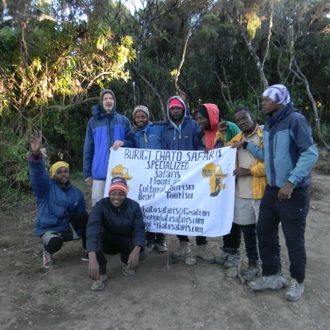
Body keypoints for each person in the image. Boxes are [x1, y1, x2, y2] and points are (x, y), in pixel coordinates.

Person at [231, 84, 318, 301]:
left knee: (293, 238)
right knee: (264, 230)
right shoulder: (270, 125)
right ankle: (273, 275)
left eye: (267, 99)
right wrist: (245, 146)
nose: (263, 103)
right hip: (272, 190)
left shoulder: (295, 120)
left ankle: (297, 281)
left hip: (293, 192)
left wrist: (291, 182)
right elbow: (266, 155)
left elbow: (310, 153)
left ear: (279, 100)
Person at [216, 107, 266, 281]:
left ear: (252, 116)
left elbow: (274, 163)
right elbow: (220, 153)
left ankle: (272, 270)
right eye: (238, 121)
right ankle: (253, 264)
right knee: (248, 232)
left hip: (261, 194)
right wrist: (221, 134)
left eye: (244, 118)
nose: (242, 122)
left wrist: (250, 171)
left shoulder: (264, 135)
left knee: (266, 233)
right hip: (241, 194)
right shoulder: (237, 139)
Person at [163, 95, 215, 263]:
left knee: (198, 208)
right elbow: (162, 151)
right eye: (173, 108)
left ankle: (202, 245)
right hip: (174, 177)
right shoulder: (166, 130)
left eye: (178, 107)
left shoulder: (193, 125)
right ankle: (183, 243)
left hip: (194, 176)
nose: (176, 110)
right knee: (177, 210)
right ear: (169, 110)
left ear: (183, 108)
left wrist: (203, 151)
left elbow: (201, 144)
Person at [29, 130, 88, 268]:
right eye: (59, 172)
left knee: (86, 217)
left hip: (66, 227)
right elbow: (37, 174)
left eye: (65, 171)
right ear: (53, 174)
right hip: (50, 228)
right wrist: (36, 154)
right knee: (55, 243)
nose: (63, 174)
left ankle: (87, 250)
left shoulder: (76, 193)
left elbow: (80, 214)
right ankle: (47, 252)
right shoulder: (45, 188)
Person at [86, 176, 146, 291]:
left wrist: (137, 249)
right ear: (109, 193)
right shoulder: (100, 206)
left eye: (121, 194)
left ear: (126, 194)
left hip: (125, 240)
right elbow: (92, 229)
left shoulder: (134, 206)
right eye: (113, 193)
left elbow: (139, 229)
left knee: (143, 250)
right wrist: (92, 257)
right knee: (96, 236)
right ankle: (100, 271)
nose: (117, 197)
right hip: (108, 241)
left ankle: (126, 261)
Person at [83, 89, 134, 206]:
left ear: (114, 101)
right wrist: (87, 174)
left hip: (120, 174)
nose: (108, 101)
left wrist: (123, 142)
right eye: (105, 99)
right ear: (101, 102)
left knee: (118, 205)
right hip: (99, 173)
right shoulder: (93, 123)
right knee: (98, 206)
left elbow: (132, 142)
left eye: (110, 98)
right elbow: (88, 148)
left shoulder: (124, 121)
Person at [132, 105, 167, 252]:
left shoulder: (158, 128)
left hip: (160, 174)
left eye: (143, 116)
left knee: (161, 206)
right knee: (146, 206)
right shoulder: (134, 135)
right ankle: (149, 239)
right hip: (144, 176)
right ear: (134, 119)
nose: (140, 119)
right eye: (137, 117)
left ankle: (161, 239)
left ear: (147, 117)